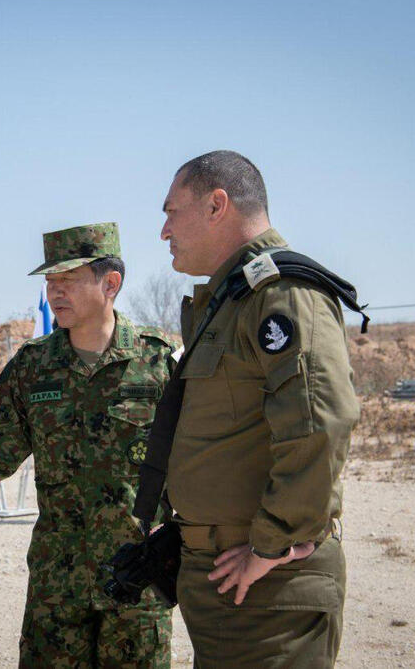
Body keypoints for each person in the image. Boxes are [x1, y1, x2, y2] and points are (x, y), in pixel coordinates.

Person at [0, 223, 177, 667]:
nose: (54, 293)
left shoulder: (158, 362)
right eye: (50, 283)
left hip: (137, 581)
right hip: (57, 584)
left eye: (67, 281)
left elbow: (196, 458)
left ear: (111, 283)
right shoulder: (34, 365)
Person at [158, 150, 360, 667]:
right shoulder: (234, 298)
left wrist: (271, 545)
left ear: (216, 205)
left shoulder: (283, 295)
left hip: (269, 584)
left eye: (171, 212)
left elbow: (320, 426)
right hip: (230, 579)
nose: (164, 231)